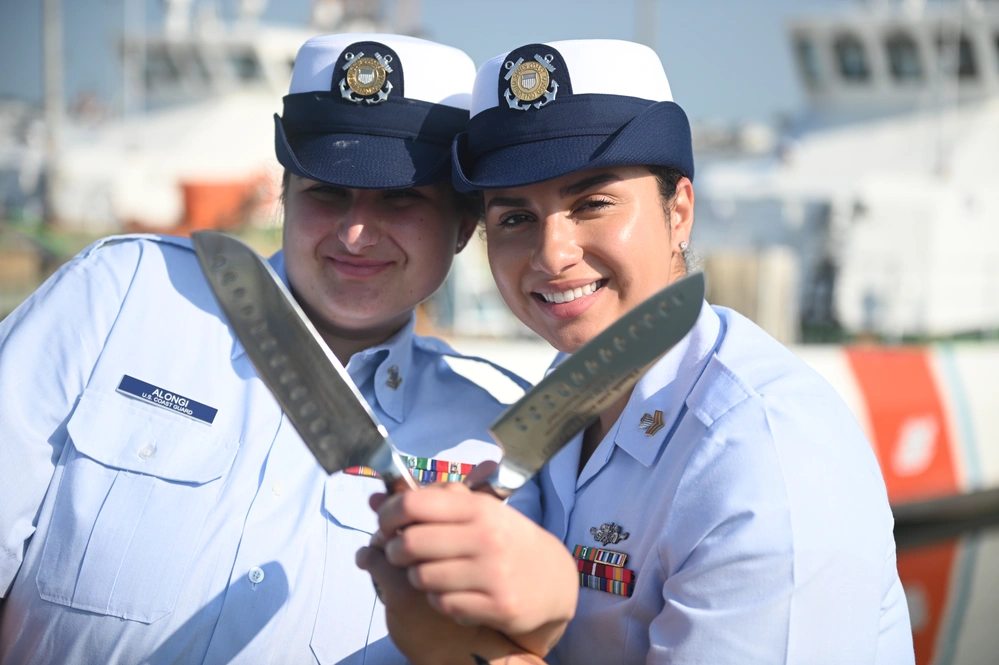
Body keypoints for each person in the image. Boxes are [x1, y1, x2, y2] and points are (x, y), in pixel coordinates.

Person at [357, 39, 916, 664]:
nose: (552, 253)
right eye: (515, 218)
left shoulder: (762, 456)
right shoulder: (568, 389)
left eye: (591, 204)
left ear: (678, 212)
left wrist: (463, 652)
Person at [0, 33, 545, 665]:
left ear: (462, 227)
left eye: (401, 199)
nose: (356, 232)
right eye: (327, 192)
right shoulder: (120, 297)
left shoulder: (494, 439)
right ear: (284, 194)